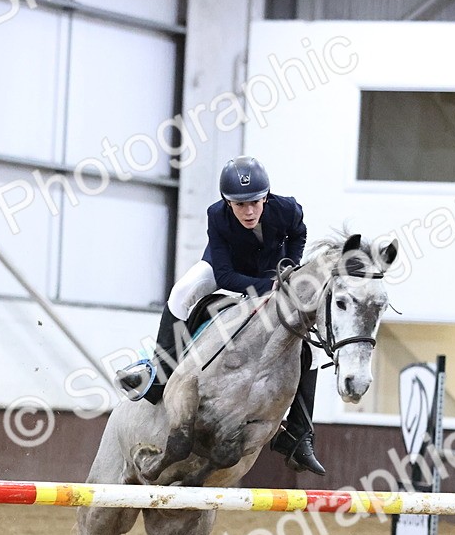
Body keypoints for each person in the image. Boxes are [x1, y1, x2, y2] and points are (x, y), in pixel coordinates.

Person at [114, 156, 325, 476]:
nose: (249, 211)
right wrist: (267, 288)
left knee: (308, 343)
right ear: (228, 203)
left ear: (266, 197)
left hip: (272, 272)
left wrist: (290, 269)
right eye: (240, 205)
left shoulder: (288, 209)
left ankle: (299, 434)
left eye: (254, 202)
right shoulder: (217, 216)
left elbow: (299, 234)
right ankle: (159, 372)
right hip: (227, 269)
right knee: (181, 293)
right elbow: (225, 276)